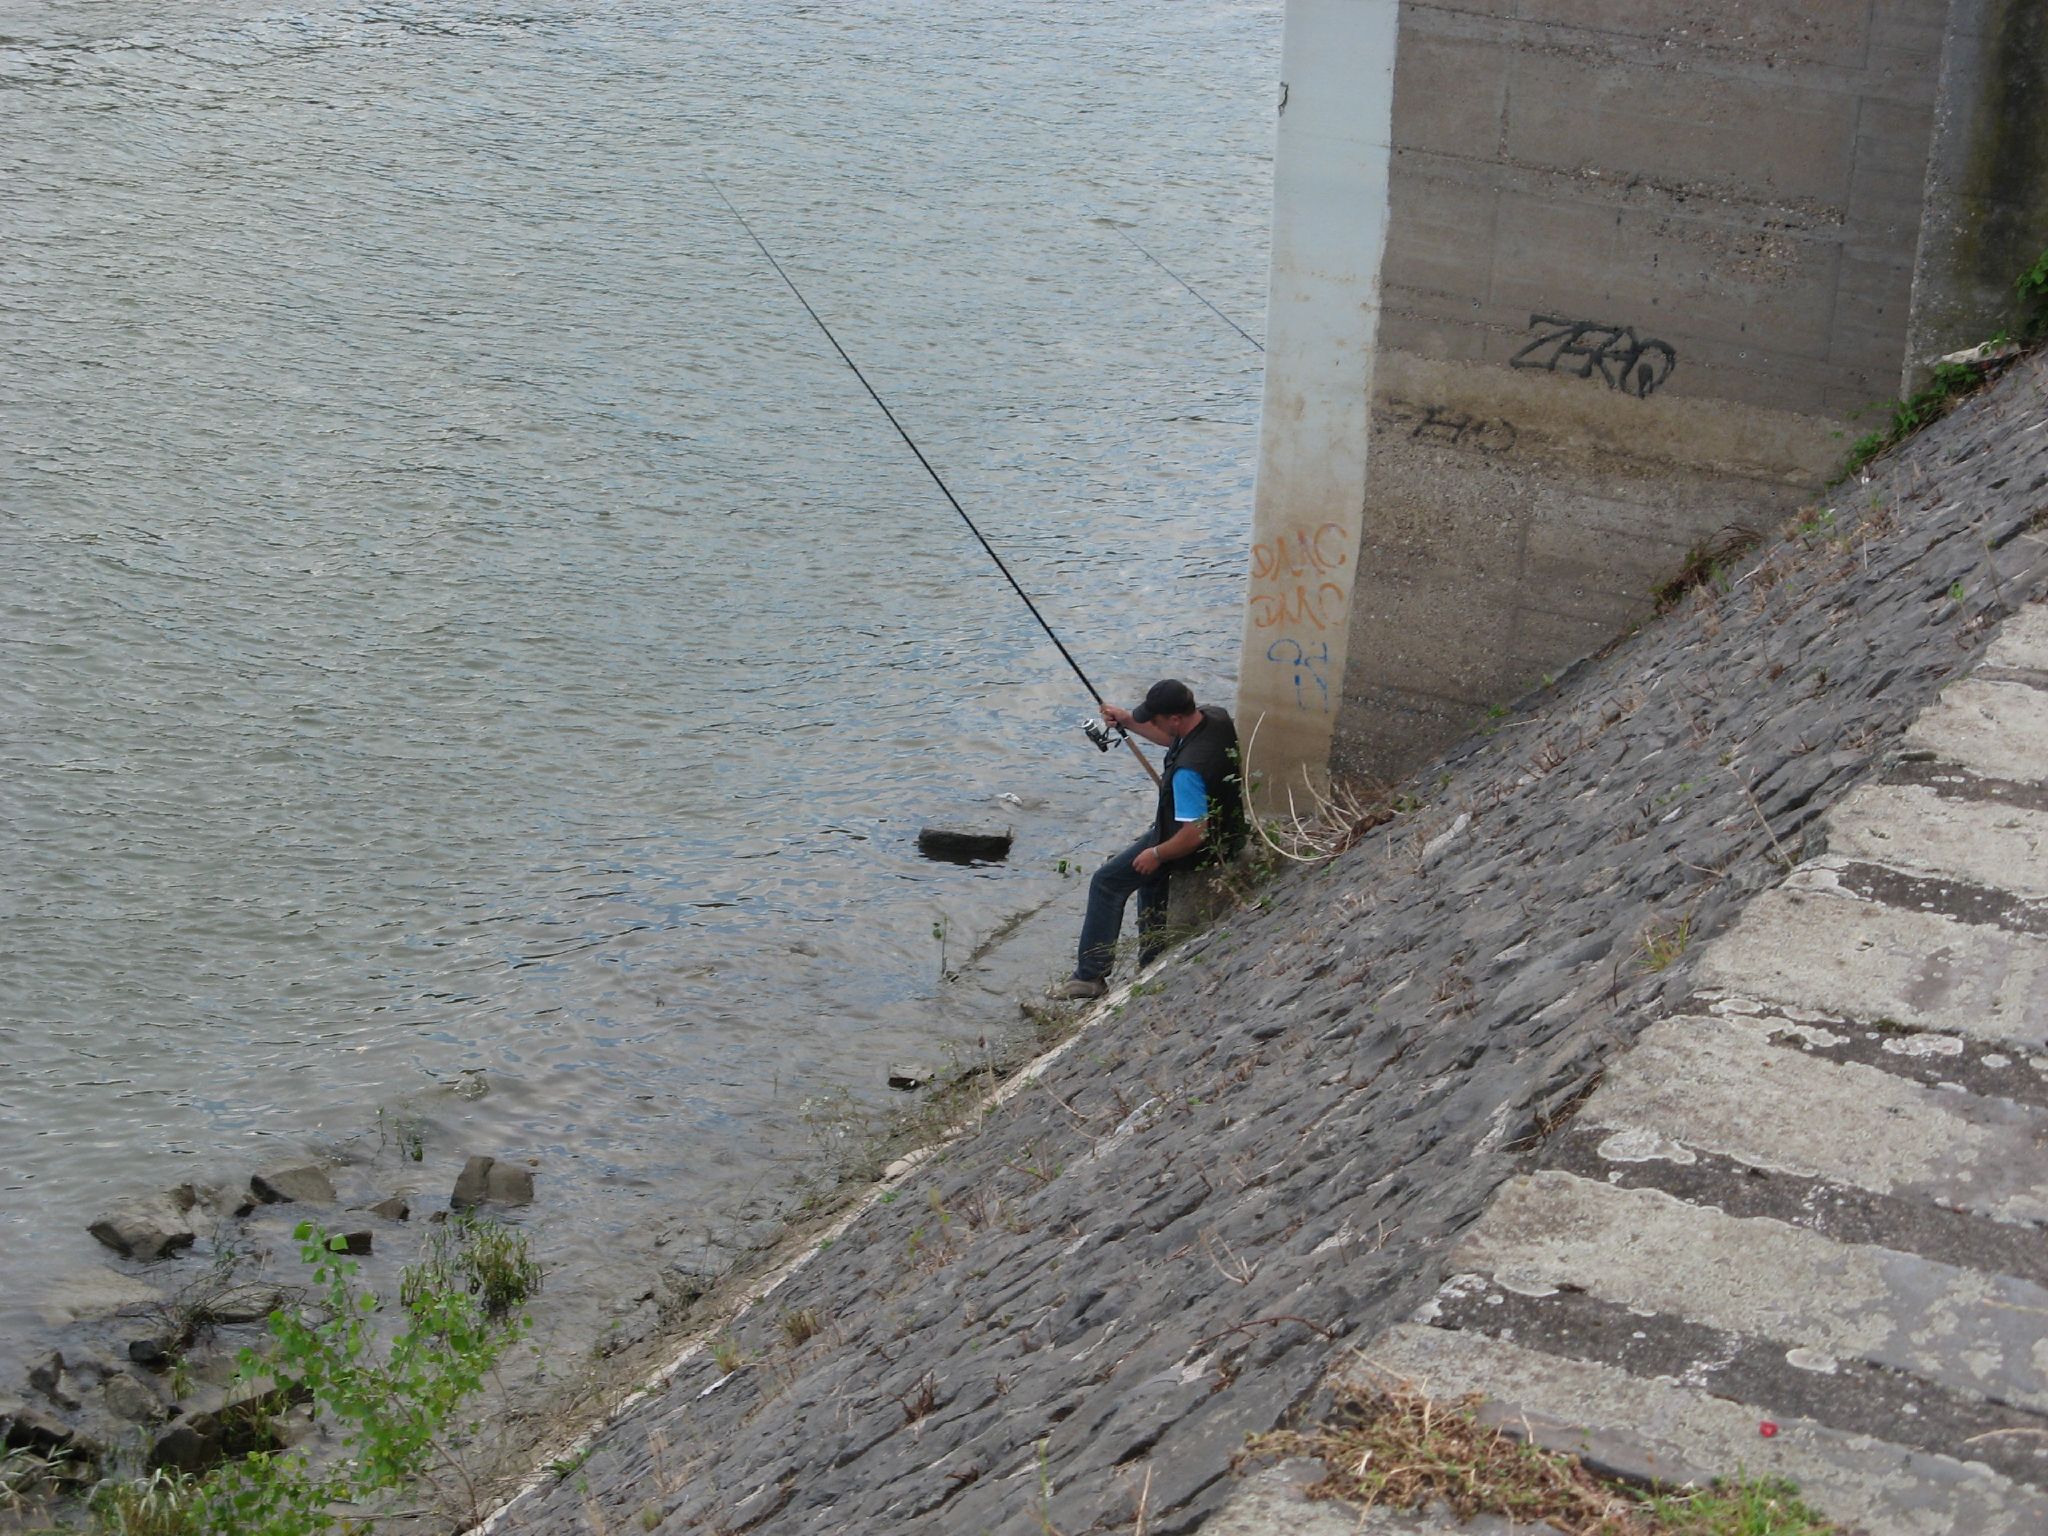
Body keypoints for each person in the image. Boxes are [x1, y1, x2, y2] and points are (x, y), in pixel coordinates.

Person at [1051, 679, 1243, 1000]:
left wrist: (1156, 852)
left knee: (1106, 882)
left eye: (1154, 719)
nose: (1150, 723)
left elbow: (1196, 833)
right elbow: (1175, 742)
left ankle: (1090, 977)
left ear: (1175, 719)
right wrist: (1128, 721)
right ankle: (1152, 960)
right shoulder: (1215, 719)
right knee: (1148, 881)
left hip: (1200, 844)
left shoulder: (1187, 774)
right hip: (1231, 829)